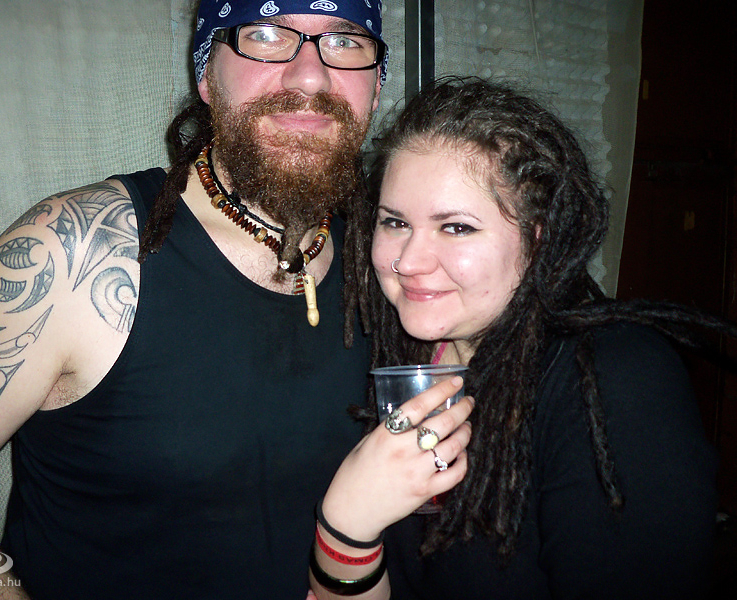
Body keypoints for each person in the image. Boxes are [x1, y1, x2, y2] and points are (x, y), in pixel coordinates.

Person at [0, 1, 387, 598]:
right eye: (266, 33)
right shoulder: (74, 249)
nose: (310, 76)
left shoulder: (397, 265)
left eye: (346, 41)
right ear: (206, 75)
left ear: (375, 89)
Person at [307, 77, 726, 599]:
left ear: (537, 238)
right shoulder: (402, 365)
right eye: (395, 222)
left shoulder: (612, 381)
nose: (408, 261)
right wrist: (346, 527)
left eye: (456, 227)